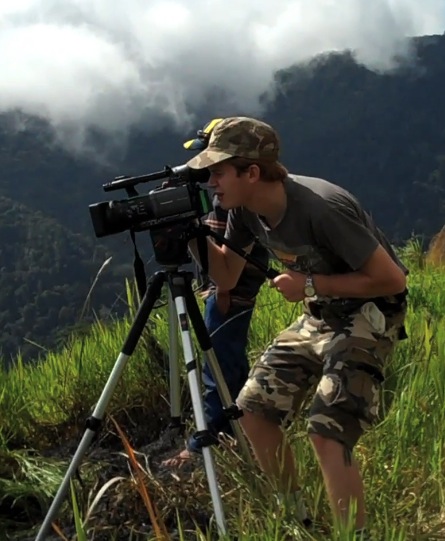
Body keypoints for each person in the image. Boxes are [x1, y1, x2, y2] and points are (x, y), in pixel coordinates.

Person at [185, 116, 408, 538]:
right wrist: (192, 238)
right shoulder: (246, 210)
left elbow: (393, 279)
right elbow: (228, 276)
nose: (210, 182)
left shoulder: (320, 208)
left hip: (370, 312)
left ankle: (352, 534)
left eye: (217, 171)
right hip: (320, 312)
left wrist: (308, 284)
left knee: (327, 429)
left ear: (251, 172)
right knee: (252, 412)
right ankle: (298, 519)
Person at [163, 120, 269, 466]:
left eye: (212, 164)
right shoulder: (223, 195)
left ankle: (207, 443)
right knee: (226, 367)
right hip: (224, 292)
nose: (205, 171)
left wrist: (218, 297)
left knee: (217, 371)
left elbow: (226, 266)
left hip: (228, 296)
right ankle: (235, 432)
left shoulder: (232, 204)